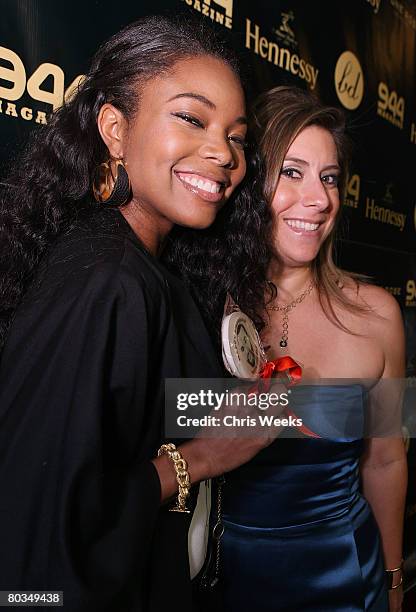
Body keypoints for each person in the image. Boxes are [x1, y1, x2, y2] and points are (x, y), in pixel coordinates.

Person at [0, 16, 274, 611]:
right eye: (192, 118)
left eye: (237, 135)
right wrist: (201, 458)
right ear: (115, 130)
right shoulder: (110, 280)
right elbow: (44, 527)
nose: (223, 153)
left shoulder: (142, 270)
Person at [218, 86, 407, 612]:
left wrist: (392, 582)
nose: (320, 199)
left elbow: (387, 461)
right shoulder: (197, 297)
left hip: (345, 582)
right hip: (217, 582)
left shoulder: (378, 316)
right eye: (293, 172)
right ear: (249, 181)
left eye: (328, 178)